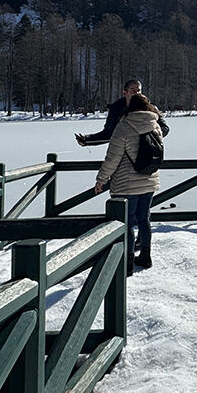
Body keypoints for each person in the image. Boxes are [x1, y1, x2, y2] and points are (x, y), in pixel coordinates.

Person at [93, 93, 163, 272]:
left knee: (127, 222)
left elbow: (112, 158)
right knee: (144, 219)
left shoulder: (123, 126)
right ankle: (145, 256)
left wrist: (101, 179)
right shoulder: (155, 124)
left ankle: (128, 262)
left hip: (127, 182)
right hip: (149, 179)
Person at [76, 79, 169, 147]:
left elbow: (165, 128)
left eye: (139, 90)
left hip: (147, 152)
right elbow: (109, 134)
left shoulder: (151, 108)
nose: (137, 93)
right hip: (124, 152)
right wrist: (87, 140)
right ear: (125, 93)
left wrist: (151, 135)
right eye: (133, 90)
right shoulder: (116, 110)